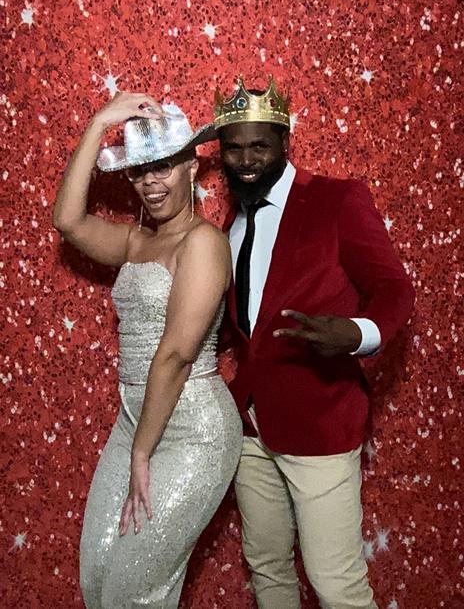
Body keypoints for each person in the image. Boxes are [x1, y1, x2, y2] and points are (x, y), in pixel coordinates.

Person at [213, 77, 416, 609]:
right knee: (268, 567)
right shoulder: (232, 220)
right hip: (250, 426)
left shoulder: (337, 199)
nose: (246, 160)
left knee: (335, 585)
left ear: (284, 141)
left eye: (259, 146)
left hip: (321, 420)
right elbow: (246, 322)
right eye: (233, 148)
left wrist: (358, 332)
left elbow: (395, 289)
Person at [53, 92, 242, 609]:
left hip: (194, 430)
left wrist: (142, 453)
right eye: (139, 170)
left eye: (163, 167)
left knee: (132, 589)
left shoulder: (203, 243)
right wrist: (98, 124)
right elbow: (68, 220)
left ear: (190, 166)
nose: (151, 183)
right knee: (97, 580)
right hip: (134, 420)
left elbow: (176, 354)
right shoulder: (137, 241)